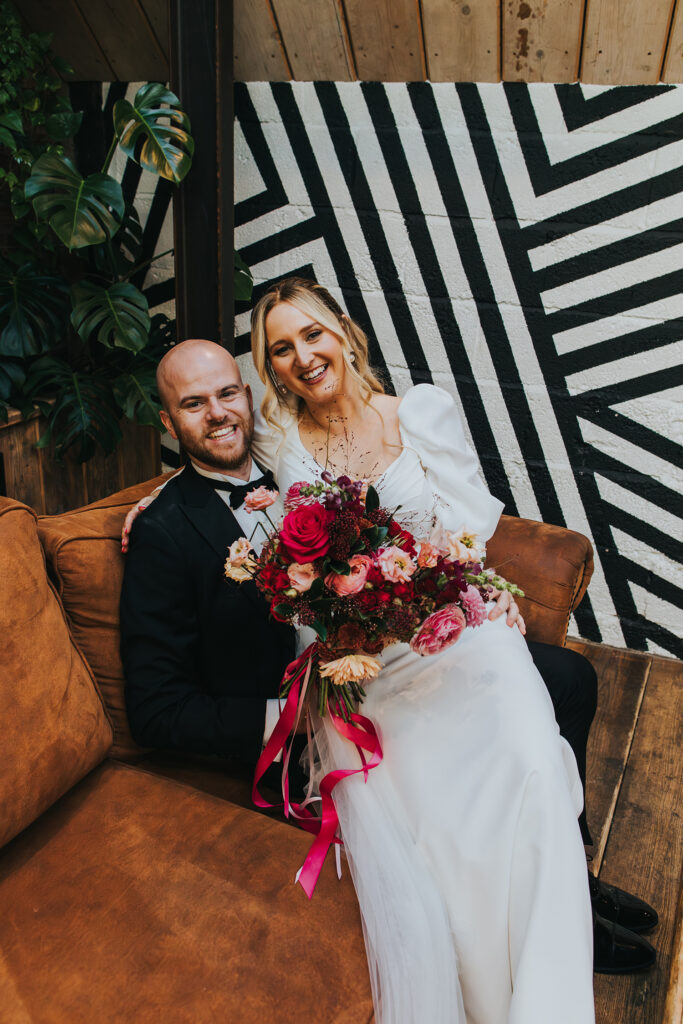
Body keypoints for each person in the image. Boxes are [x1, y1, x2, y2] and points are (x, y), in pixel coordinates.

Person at [121, 292, 657, 1019]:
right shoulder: (173, 524)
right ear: (169, 421)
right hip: (335, 692)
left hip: (421, 642)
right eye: (193, 404)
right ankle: (542, 916)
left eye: (226, 394)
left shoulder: (281, 441)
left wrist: (485, 590)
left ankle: (567, 890)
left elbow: (452, 527)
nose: (218, 413)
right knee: (497, 748)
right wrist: (161, 500)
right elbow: (156, 708)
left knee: (566, 686)